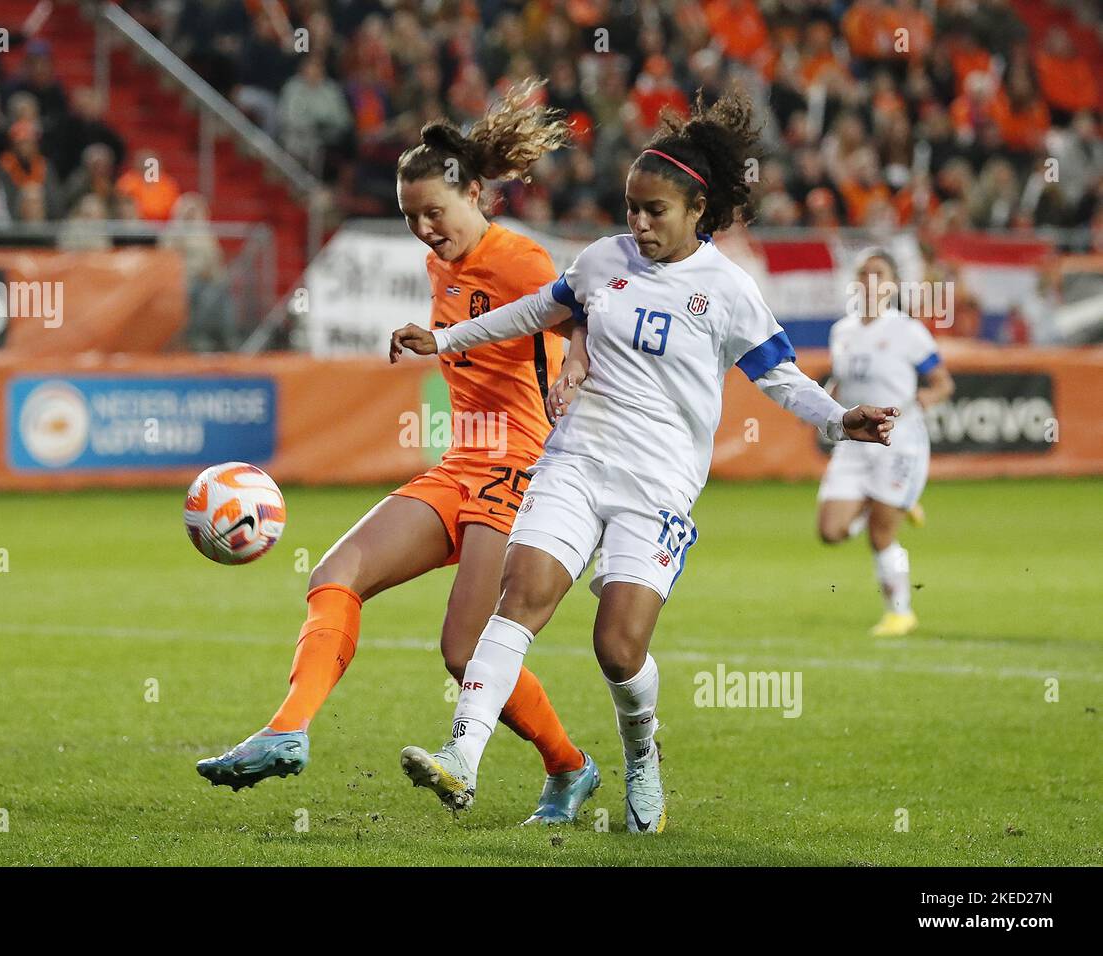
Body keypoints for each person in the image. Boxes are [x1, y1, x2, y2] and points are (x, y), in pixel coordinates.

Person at [390, 89, 898, 834]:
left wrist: (839, 420)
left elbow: (780, 377)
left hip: (657, 484)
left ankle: (640, 754)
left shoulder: (728, 291)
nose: (638, 223)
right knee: (522, 593)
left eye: (654, 211)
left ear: (699, 211)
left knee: (617, 646)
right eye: (631, 207)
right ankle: (461, 756)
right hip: (576, 458)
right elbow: (538, 310)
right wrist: (447, 339)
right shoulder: (604, 261)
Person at [197, 80, 602, 826]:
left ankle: (570, 767)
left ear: (475, 194)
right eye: (410, 216)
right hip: (462, 462)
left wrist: (575, 363)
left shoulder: (519, 258)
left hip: (522, 466)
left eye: (434, 213)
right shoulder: (440, 263)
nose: (423, 229)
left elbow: (587, 310)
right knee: (335, 573)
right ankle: (287, 731)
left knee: (463, 651)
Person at [817, 250, 954, 636]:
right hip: (855, 442)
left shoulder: (906, 331)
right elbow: (843, 384)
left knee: (881, 535)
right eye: (864, 273)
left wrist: (928, 398)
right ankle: (894, 502)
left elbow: (943, 382)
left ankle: (900, 612)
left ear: (893, 284)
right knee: (830, 532)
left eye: (879, 273)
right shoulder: (841, 331)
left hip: (899, 441)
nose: (870, 280)